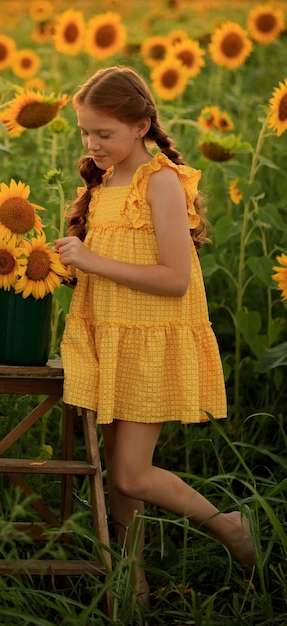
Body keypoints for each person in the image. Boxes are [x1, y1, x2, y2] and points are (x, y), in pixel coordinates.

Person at [55, 65, 256, 601]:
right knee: (118, 465)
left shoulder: (161, 182)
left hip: (150, 340)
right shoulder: (104, 181)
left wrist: (93, 261)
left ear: (142, 125)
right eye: (85, 132)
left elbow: (174, 278)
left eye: (105, 133)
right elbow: (112, 261)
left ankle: (229, 525)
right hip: (110, 338)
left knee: (129, 475)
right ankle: (133, 579)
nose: (92, 143)